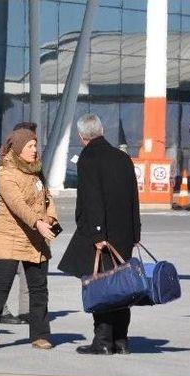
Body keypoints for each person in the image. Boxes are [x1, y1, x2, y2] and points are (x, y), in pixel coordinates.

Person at [58, 114, 141, 355]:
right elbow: (133, 199)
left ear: (82, 137)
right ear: (102, 130)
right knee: (122, 286)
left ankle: (103, 340)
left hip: (102, 236)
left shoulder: (89, 158)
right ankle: (121, 340)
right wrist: (135, 231)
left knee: (102, 287)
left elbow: (92, 199)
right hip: (124, 235)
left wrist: (97, 234)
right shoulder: (122, 157)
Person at [0, 127, 57, 350]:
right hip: (10, 237)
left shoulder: (36, 171)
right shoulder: (5, 171)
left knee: (39, 289)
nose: (35, 150)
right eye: (30, 146)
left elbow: (47, 197)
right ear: (18, 148)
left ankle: (40, 335)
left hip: (36, 238)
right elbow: (17, 204)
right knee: (1, 286)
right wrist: (38, 223)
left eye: (35, 145)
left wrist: (51, 217)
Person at [0, 122, 37, 325]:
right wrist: (9, 218)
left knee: (28, 272)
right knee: (4, 274)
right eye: (29, 141)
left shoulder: (33, 166)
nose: (33, 147)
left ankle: (27, 311)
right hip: (6, 228)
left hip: (30, 228)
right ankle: (0, 310)